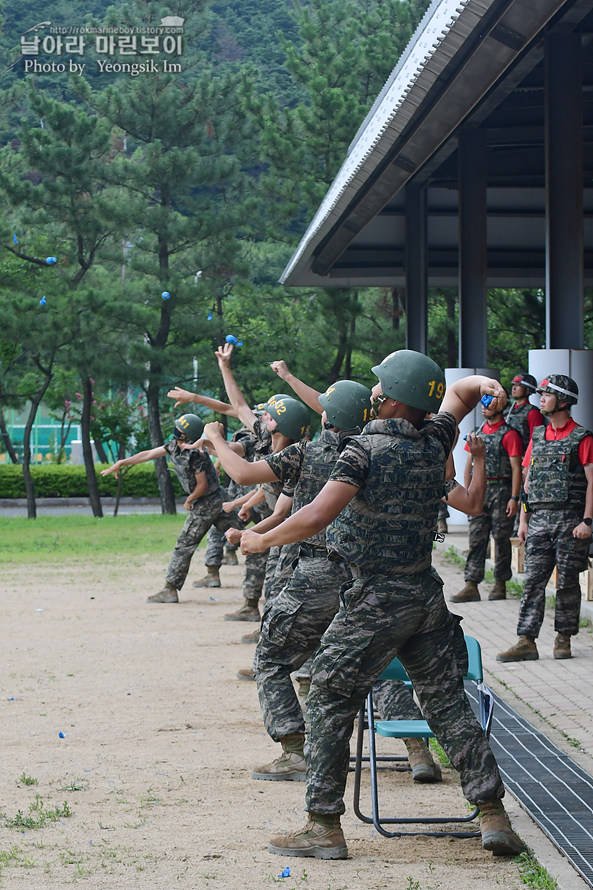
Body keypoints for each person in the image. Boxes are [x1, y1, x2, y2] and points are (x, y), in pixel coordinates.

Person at [239, 350, 523, 860]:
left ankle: (323, 826)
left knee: (327, 693)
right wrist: (488, 383)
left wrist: (263, 541)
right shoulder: (435, 440)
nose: (372, 392)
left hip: (374, 600)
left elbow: (317, 515)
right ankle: (492, 815)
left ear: (389, 399)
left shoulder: (361, 451)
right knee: (448, 703)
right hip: (425, 598)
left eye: (379, 387)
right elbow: (458, 395)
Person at [201, 380, 373, 783]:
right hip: (371, 577)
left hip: (319, 573)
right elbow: (282, 508)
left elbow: (242, 473)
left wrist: (214, 437)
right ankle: (421, 753)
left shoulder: (309, 453)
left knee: (271, 659)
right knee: (380, 663)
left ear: (328, 416)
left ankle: (295, 751)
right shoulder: (376, 451)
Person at [497, 375, 593, 663]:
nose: (541, 398)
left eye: (547, 394)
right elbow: (528, 481)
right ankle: (526, 640)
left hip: (569, 522)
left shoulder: (582, 437)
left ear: (563, 401)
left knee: (567, 583)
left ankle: (563, 638)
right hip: (538, 521)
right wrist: (524, 522)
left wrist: (587, 521)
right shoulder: (538, 436)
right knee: (533, 582)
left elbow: (592, 482)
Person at [101, 413, 240, 603]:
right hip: (214, 500)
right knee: (240, 534)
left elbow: (202, 486)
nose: (175, 431)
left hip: (208, 502)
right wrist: (122, 462)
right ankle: (214, 575)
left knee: (185, 544)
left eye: (180, 429)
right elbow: (149, 454)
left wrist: (190, 499)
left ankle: (170, 589)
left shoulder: (196, 453)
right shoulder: (173, 446)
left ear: (187, 435)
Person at [451, 391, 522, 602]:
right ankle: (471, 584)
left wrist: (514, 498)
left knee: (501, 539)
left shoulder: (510, 434)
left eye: (489, 403)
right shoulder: (476, 432)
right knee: (476, 538)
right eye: (483, 403)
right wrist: (466, 489)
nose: (484, 407)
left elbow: (516, 468)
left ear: (500, 406)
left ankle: (500, 584)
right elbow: (468, 465)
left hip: (501, 490)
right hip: (480, 490)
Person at [505, 373, 546, 451]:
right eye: (513, 385)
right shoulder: (507, 410)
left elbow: (536, 440)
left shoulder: (533, 412)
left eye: (518, 385)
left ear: (527, 390)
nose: (514, 388)